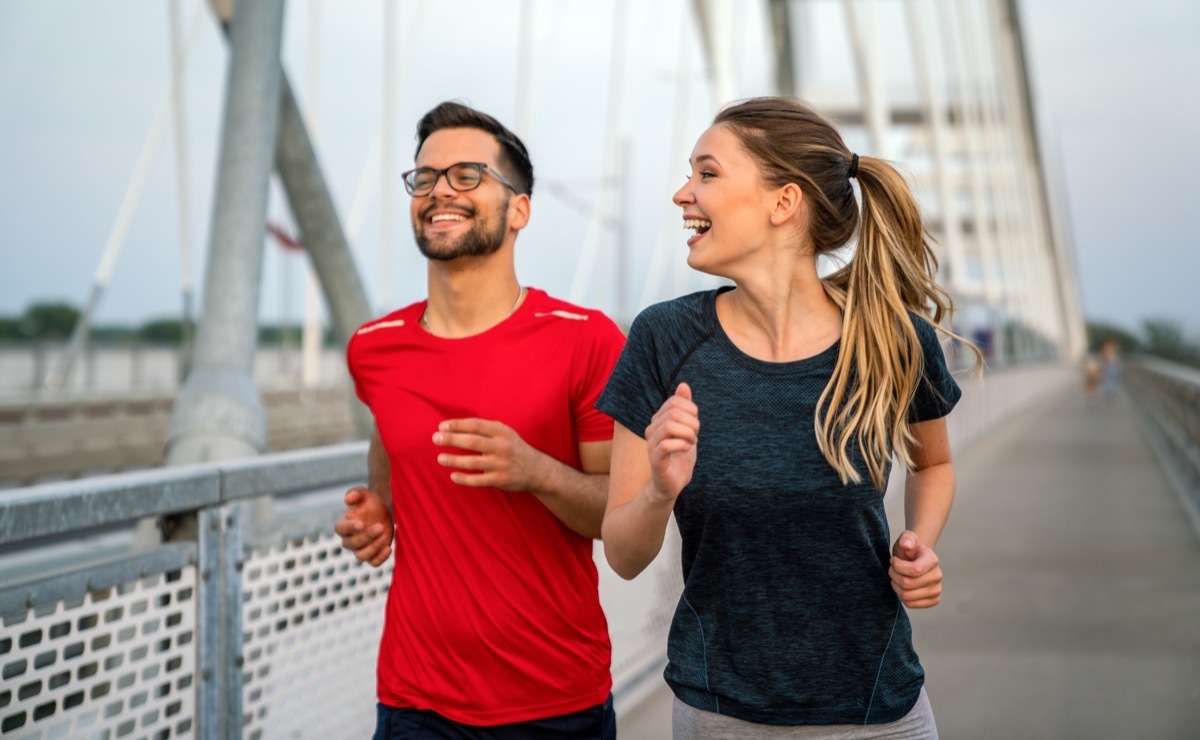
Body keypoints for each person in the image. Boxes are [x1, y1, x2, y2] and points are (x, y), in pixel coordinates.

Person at [597, 97, 977, 738]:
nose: (682, 193)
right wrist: (660, 490)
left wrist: (921, 541)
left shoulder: (889, 338)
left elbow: (933, 462)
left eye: (707, 173)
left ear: (783, 203)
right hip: (720, 717)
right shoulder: (664, 339)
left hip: (876, 712)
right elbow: (625, 556)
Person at [334, 101, 625, 739]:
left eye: (467, 175)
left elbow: (616, 515)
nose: (440, 190)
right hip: (415, 702)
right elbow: (388, 439)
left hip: (555, 701)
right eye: (425, 177)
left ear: (519, 208)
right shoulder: (374, 347)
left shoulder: (587, 340)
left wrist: (537, 472)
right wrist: (380, 505)